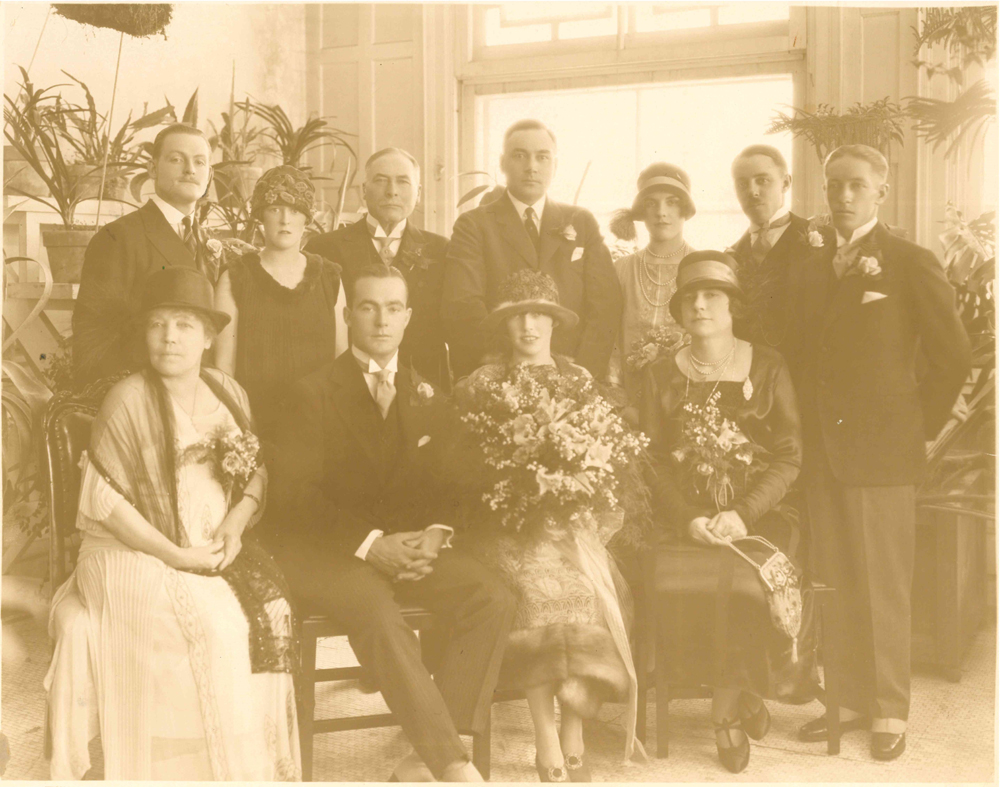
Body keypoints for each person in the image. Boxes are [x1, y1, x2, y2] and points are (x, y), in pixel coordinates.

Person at [45, 267, 299, 780]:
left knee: (271, 608)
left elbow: (256, 471)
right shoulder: (128, 399)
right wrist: (176, 556)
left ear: (208, 337)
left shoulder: (228, 392)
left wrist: (236, 520)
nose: (169, 338)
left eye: (184, 325)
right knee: (214, 625)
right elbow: (106, 505)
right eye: (157, 325)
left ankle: (231, 761)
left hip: (211, 545)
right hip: (129, 550)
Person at [269, 263, 515, 782]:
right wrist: (371, 544)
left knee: (493, 596)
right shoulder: (309, 392)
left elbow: (455, 487)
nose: (381, 320)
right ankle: (450, 766)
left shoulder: (426, 392)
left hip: (404, 549)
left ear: (408, 318)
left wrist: (435, 534)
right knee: (380, 616)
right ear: (348, 314)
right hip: (328, 554)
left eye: (393, 308)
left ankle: (422, 753)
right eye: (368, 306)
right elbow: (295, 500)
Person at [787, 145, 971, 761]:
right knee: (834, 578)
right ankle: (848, 701)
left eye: (856, 186)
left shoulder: (910, 262)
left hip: (884, 451)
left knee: (884, 584)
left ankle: (890, 708)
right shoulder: (810, 265)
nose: (843, 197)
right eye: (834, 185)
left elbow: (953, 359)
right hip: (822, 450)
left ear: (881, 191)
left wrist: (918, 429)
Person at [457, 271, 642, 783]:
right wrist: (517, 498)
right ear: (504, 325)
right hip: (505, 528)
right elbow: (466, 474)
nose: (529, 325)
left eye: (539, 314)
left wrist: (574, 502)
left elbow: (603, 463)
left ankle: (574, 727)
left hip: (569, 526)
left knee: (589, 588)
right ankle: (544, 732)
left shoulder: (579, 381)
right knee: (536, 592)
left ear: (555, 322)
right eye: (517, 315)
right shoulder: (481, 385)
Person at [640, 251, 818, 774]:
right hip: (688, 518)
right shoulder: (658, 375)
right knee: (681, 580)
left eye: (712, 295)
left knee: (743, 585)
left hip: (762, 514)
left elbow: (789, 456)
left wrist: (743, 512)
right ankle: (744, 690)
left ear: (732, 305)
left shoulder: (767, 365)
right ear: (678, 310)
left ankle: (724, 712)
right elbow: (649, 461)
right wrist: (686, 518)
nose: (700, 305)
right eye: (690, 297)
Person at [442, 119, 622, 379]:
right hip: (499, 378)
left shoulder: (580, 222)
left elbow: (605, 307)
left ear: (555, 165)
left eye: (542, 157)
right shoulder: (474, 225)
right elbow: (463, 306)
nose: (531, 167)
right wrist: (509, 373)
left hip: (573, 377)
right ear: (503, 163)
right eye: (520, 156)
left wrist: (578, 376)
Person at [214, 165, 348, 445]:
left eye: (295, 210)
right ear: (261, 215)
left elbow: (341, 362)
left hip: (317, 424)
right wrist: (240, 432)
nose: (285, 219)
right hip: (256, 425)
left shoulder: (329, 277)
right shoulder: (235, 277)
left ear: (307, 219)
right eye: (275, 209)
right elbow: (224, 369)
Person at [73, 124, 215, 386]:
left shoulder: (209, 244)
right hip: (141, 395)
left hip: (199, 394)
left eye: (199, 162)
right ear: (152, 169)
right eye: (176, 159)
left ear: (209, 174)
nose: (190, 170)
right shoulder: (117, 237)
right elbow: (93, 341)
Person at [305, 147, 450, 387]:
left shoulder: (441, 250)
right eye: (381, 181)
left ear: (419, 193)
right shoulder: (324, 248)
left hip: (423, 387)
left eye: (403, 182)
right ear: (364, 190)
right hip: (346, 386)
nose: (392, 192)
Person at [608, 163, 697, 406]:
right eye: (651, 203)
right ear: (641, 212)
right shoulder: (622, 269)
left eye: (672, 202)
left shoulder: (700, 268)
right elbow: (612, 341)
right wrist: (618, 399)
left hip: (686, 400)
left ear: (685, 209)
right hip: (630, 402)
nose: (661, 212)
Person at [728, 145, 814, 354]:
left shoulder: (822, 240)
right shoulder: (731, 256)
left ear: (785, 183)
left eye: (762, 180)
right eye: (742, 184)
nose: (752, 191)